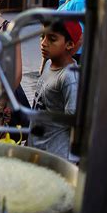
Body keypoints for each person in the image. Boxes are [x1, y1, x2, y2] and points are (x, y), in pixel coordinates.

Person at [28, 20, 81, 159]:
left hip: (55, 156)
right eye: (42, 36)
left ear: (70, 44)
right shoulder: (49, 64)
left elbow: (75, 125)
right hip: (38, 149)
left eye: (52, 39)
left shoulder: (69, 77)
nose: (43, 43)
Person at [51, 0, 85, 66]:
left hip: (70, 59)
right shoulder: (68, 0)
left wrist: (64, 60)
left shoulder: (79, 2)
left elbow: (80, 37)